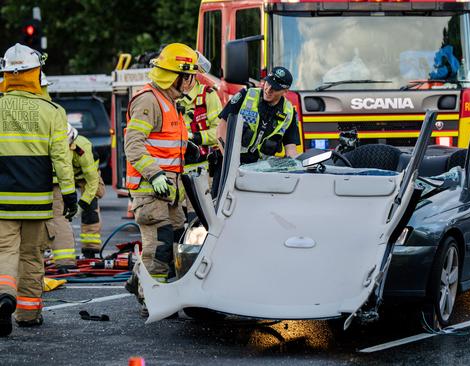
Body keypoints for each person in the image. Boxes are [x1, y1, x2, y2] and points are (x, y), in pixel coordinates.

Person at [0, 44, 76, 336]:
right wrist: (69, 195)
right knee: (31, 256)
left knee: (5, 251)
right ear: (36, 73)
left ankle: (4, 295)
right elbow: (61, 158)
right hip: (37, 201)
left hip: (3, 200)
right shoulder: (52, 111)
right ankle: (28, 314)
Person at [122, 43, 198, 315]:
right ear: (177, 75)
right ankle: (150, 301)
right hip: (150, 191)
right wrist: (154, 174)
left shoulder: (170, 102)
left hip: (170, 193)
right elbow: (133, 145)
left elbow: (165, 146)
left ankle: (137, 280)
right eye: (190, 76)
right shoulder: (149, 100)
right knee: (160, 245)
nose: (192, 82)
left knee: (178, 240)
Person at [213, 66, 301, 196]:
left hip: (258, 172)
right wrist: (229, 161)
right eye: (268, 83)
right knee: (218, 206)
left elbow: (291, 151)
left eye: (275, 88)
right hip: (228, 165)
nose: (268, 89)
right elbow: (221, 128)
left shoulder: (289, 113)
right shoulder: (245, 95)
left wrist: (295, 173)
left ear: (285, 91)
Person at [50, 124, 106, 269]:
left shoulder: (83, 149)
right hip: (65, 176)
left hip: (86, 176)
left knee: (90, 208)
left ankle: (91, 248)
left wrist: (82, 204)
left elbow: (92, 181)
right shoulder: (54, 146)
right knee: (58, 210)